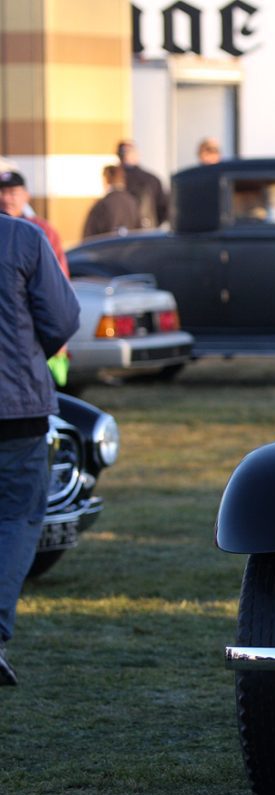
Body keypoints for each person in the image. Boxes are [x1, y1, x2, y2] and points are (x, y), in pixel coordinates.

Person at [0, 213, 82, 686]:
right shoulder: (22, 238)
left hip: (18, 404)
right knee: (16, 518)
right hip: (17, 407)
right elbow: (63, 317)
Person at [0, 170, 68, 276]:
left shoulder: (40, 229)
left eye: (12, 193)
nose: (5, 199)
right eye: (2, 192)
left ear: (26, 196)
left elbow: (58, 272)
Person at [116, 139, 168, 228]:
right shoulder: (151, 179)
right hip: (146, 233)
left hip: (123, 234)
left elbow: (163, 207)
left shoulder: (115, 179)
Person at [82, 165, 142, 240]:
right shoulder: (132, 202)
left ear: (106, 179)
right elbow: (140, 231)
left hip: (106, 249)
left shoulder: (102, 204)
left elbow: (89, 236)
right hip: (129, 249)